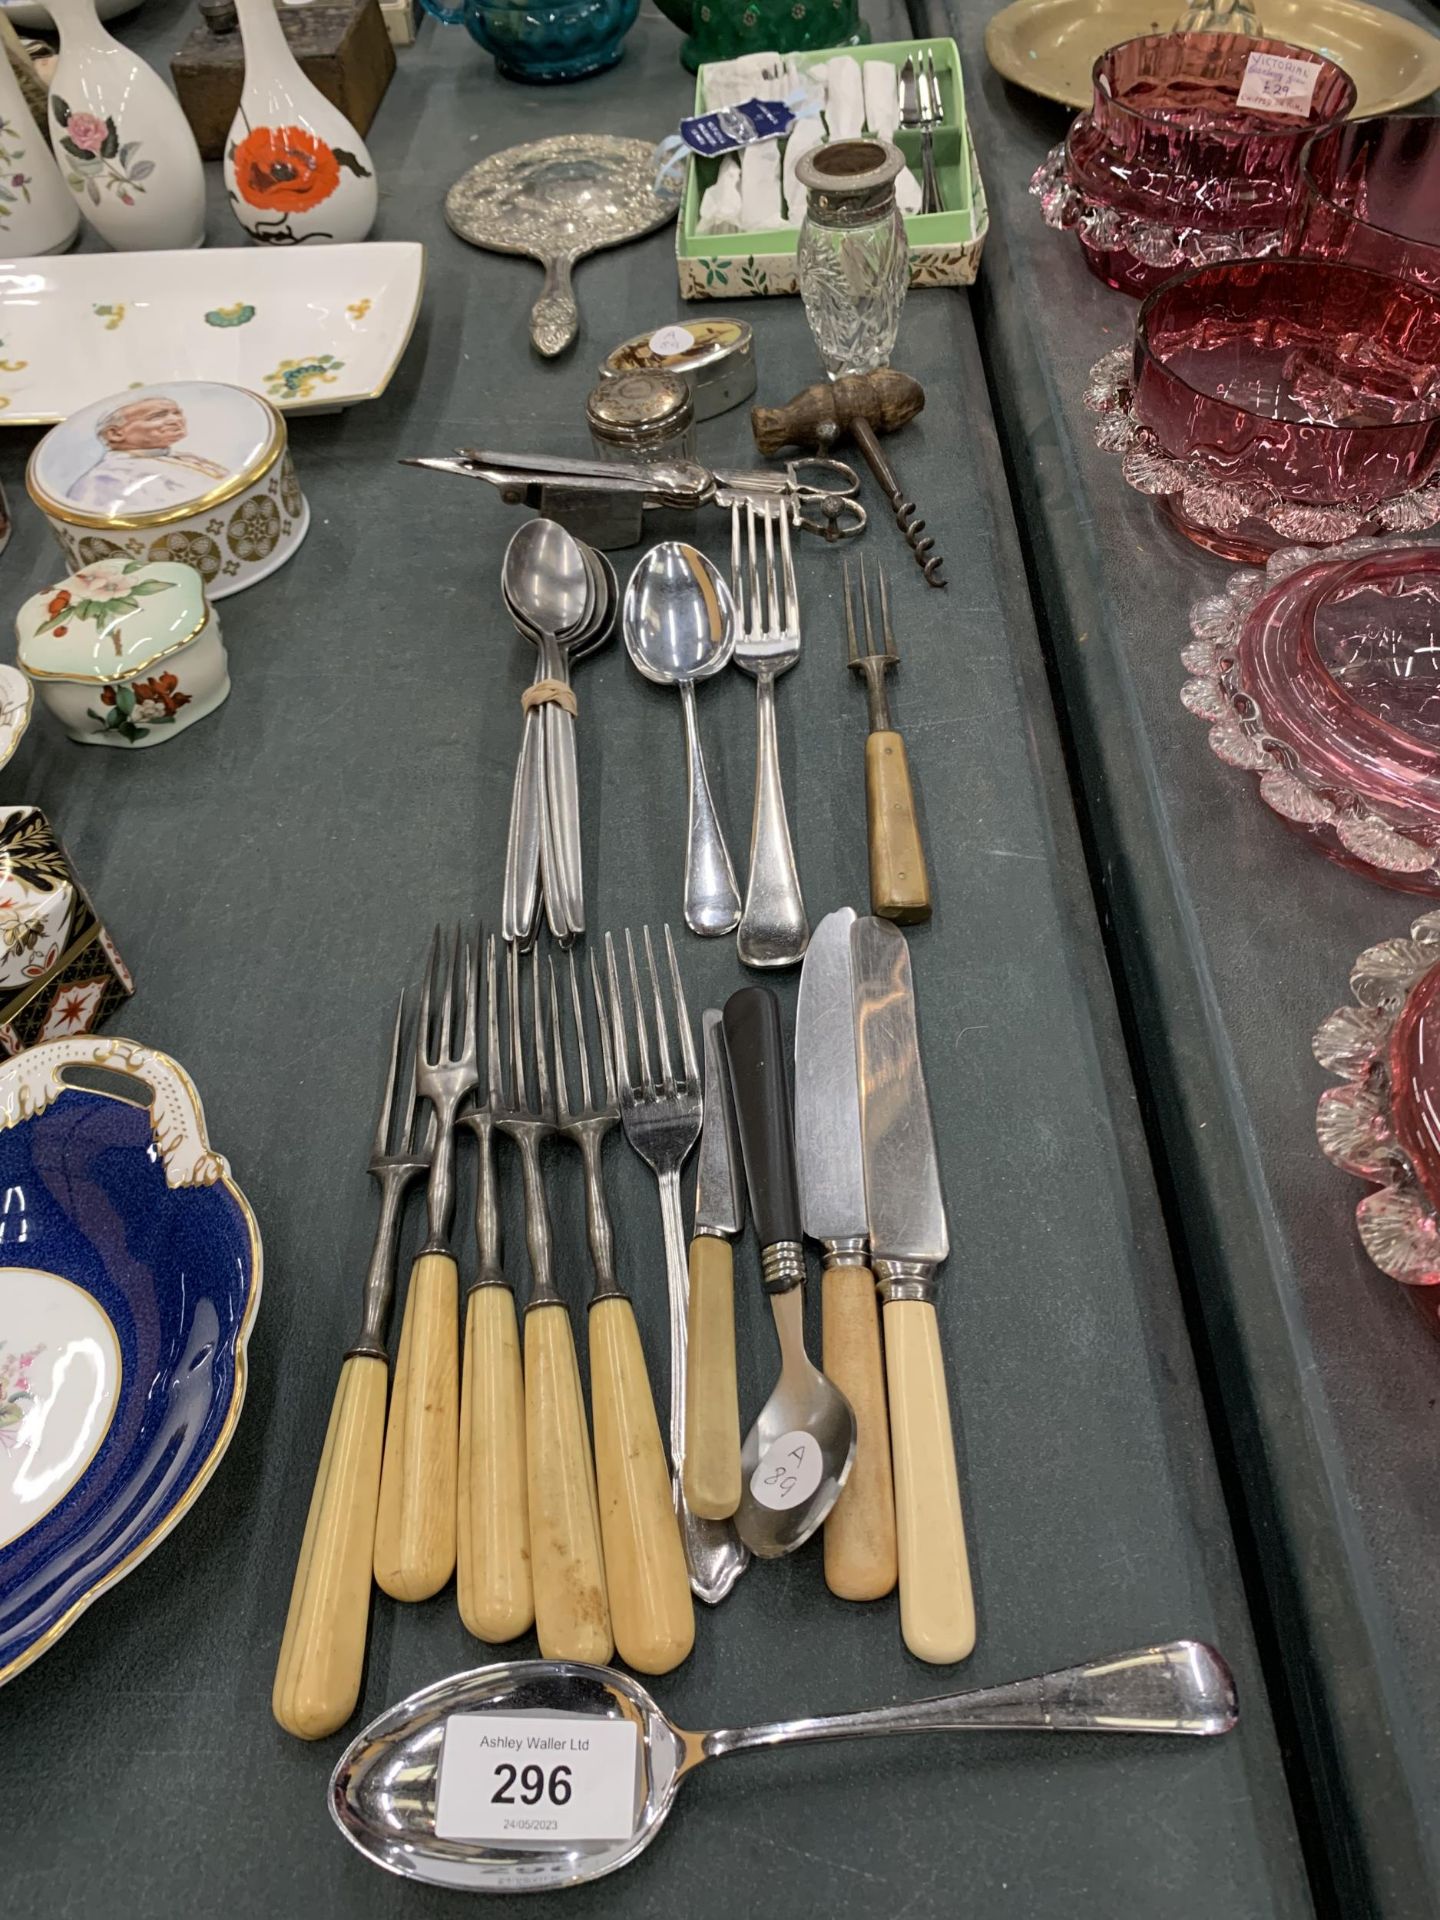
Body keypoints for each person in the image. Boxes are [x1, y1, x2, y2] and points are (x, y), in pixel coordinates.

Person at [67, 396, 229, 515]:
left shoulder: (183, 457)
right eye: (158, 416)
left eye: (177, 412)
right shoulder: (106, 479)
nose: (175, 420)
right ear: (115, 433)